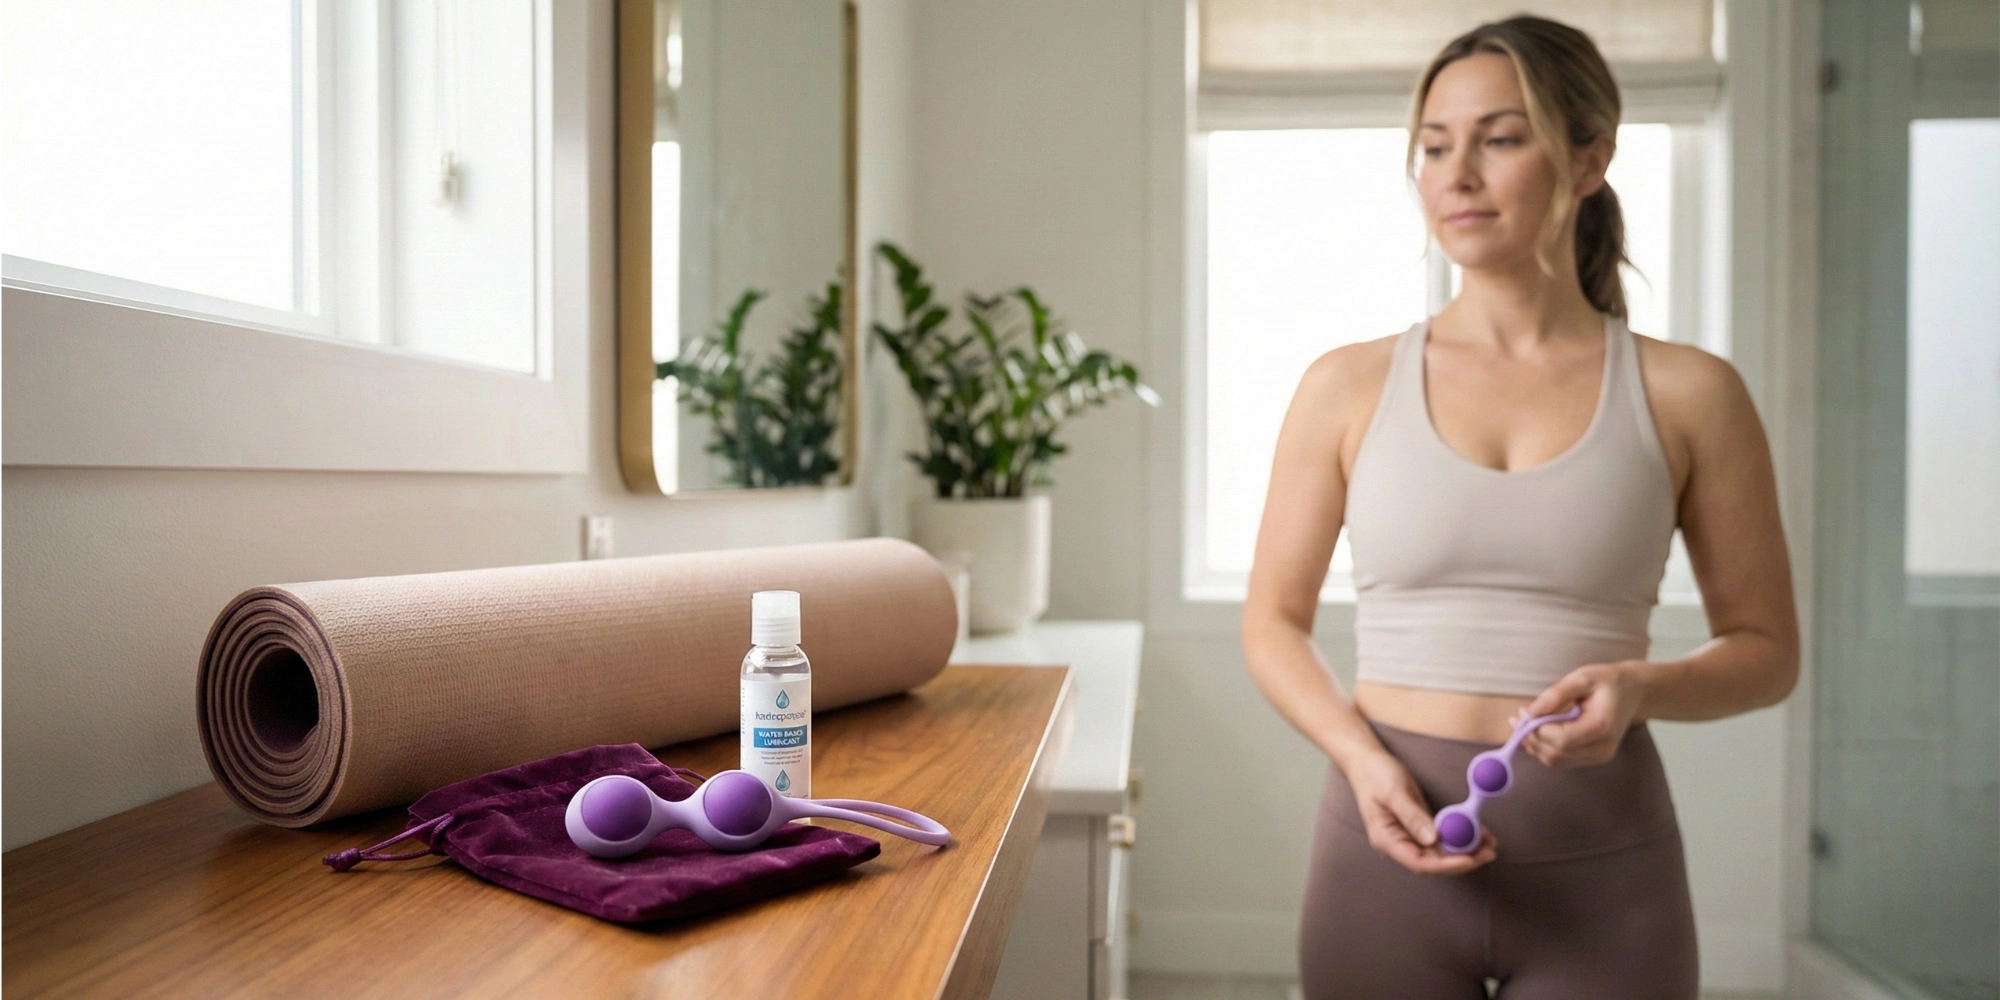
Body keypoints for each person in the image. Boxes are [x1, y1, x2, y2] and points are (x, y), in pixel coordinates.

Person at [1239, 15, 1800, 1000]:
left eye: (1498, 139)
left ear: (1590, 160)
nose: (1454, 175)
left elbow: (1764, 649)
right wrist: (1359, 761)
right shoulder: (1344, 385)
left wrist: (1637, 687)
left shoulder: (1689, 395)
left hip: (1605, 874)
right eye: (1432, 145)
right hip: (1381, 846)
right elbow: (1271, 623)